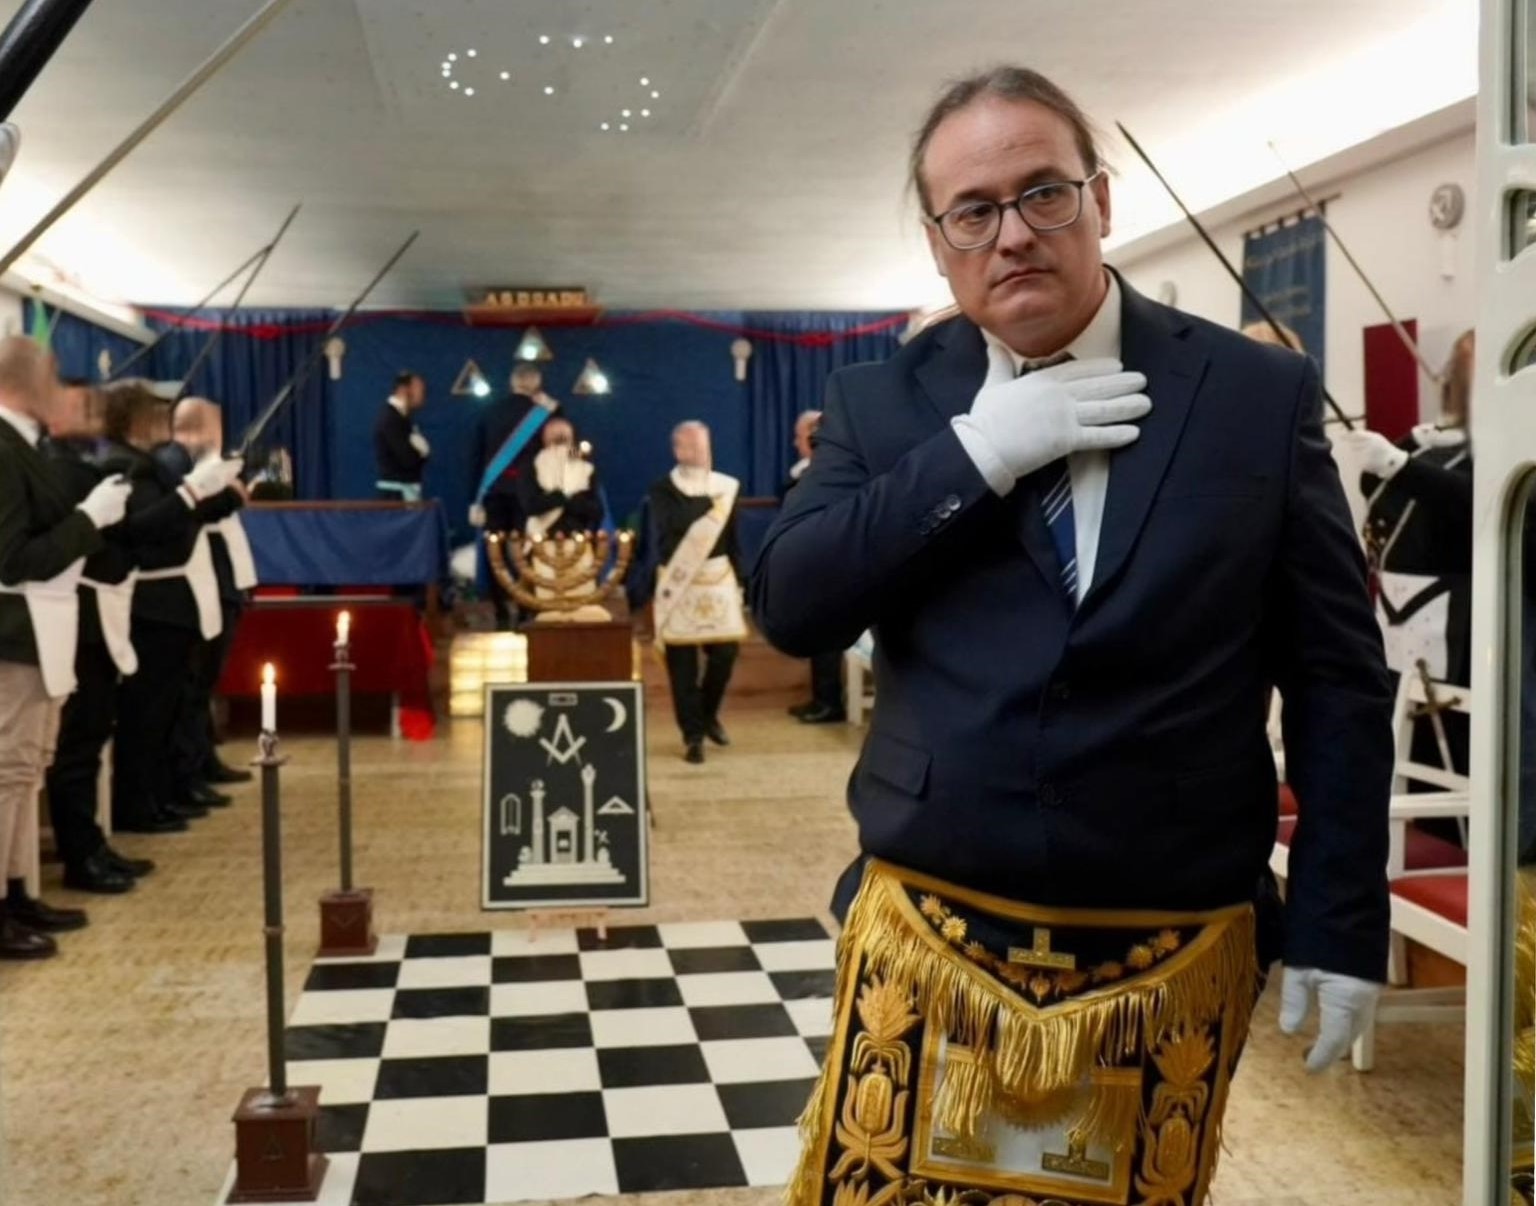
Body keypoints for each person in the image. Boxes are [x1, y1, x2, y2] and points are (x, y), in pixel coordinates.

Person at [752, 67, 1392, 1203]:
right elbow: (793, 604)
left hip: (1167, 931)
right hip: (934, 918)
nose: (1011, 235)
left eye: (1042, 193)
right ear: (938, 245)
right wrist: (976, 455)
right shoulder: (881, 402)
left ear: (1100, 199)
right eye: (972, 212)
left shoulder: (1254, 392)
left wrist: (1341, 918)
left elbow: (1337, 673)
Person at [41, 382, 210, 891]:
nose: (91, 411)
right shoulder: (63, 466)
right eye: (80, 404)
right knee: (79, 740)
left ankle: (91, 843)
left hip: (102, 603)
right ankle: (80, 853)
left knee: (93, 733)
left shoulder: (87, 464)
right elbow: (113, 533)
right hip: (80, 608)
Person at [0, 338, 130, 956]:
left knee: (28, 768)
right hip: (14, 630)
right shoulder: (2, 447)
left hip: (42, 630)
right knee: (8, 771)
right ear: (25, 382)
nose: (61, 389)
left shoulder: (22, 444)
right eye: (52, 376)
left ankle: (16, 889)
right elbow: (11, 560)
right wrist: (89, 519)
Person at [105, 383, 243, 833]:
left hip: (170, 600)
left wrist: (216, 499)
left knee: (165, 708)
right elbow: (150, 527)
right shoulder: (133, 466)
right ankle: (140, 803)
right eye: (155, 416)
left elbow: (184, 517)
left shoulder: (148, 464)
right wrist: (194, 497)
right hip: (153, 601)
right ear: (137, 420)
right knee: (147, 712)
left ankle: (159, 794)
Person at [164, 397, 256, 790]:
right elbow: (196, 511)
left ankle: (203, 758)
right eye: (215, 426)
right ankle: (189, 766)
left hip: (223, 573)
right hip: (206, 576)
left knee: (206, 679)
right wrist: (229, 490)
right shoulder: (179, 466)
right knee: (197, 678)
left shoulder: (204, 465)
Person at [643, 421, 745, 764]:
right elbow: (675, 527)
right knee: (682, 665)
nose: (703, 453)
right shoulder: (662, 489)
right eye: (695, 447)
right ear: (678, 450)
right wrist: (708, 507)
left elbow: (731, 537)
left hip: (718, 578)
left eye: (705, 446)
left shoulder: (727, 487)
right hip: (680, 580)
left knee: (726, 653)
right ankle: (693, 736)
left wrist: (742, 580)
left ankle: (707, 714)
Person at [468, 363, 560, 628]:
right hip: (528, 496)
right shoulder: (543, 414)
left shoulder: (489, 412)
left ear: (512, 383)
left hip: (494, 493)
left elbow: (475, 458)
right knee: (527, 551)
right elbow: (564, 450)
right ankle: (525, 608)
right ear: (536, 385)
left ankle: (500, 610)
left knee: (494, 552)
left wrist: (473, 499)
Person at [782, 410, 846, 724]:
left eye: (800, 437)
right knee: (818, 634)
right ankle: (821, 697)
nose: (796, 443)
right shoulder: (807, 472)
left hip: (831, 563)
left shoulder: (824, 473)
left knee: (827, 636)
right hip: (815, 560)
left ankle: (829, 702)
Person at [515, 417, 605, 539]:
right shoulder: (531, 465)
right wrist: (563, 497)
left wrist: (573, 502)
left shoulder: (585, 467)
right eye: (555, 437)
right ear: (544, 439)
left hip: (577, 538)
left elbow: (597, 511)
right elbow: (529, 505)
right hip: (541, 537)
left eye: (563, 437)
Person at [374, 371, 430, 502]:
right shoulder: (391, 418)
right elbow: (407, 459)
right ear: (404, 390)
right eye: (419, 390)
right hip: (395, 498)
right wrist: (422, 454)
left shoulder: (403, 417)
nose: (422, 395)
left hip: (404, 493)